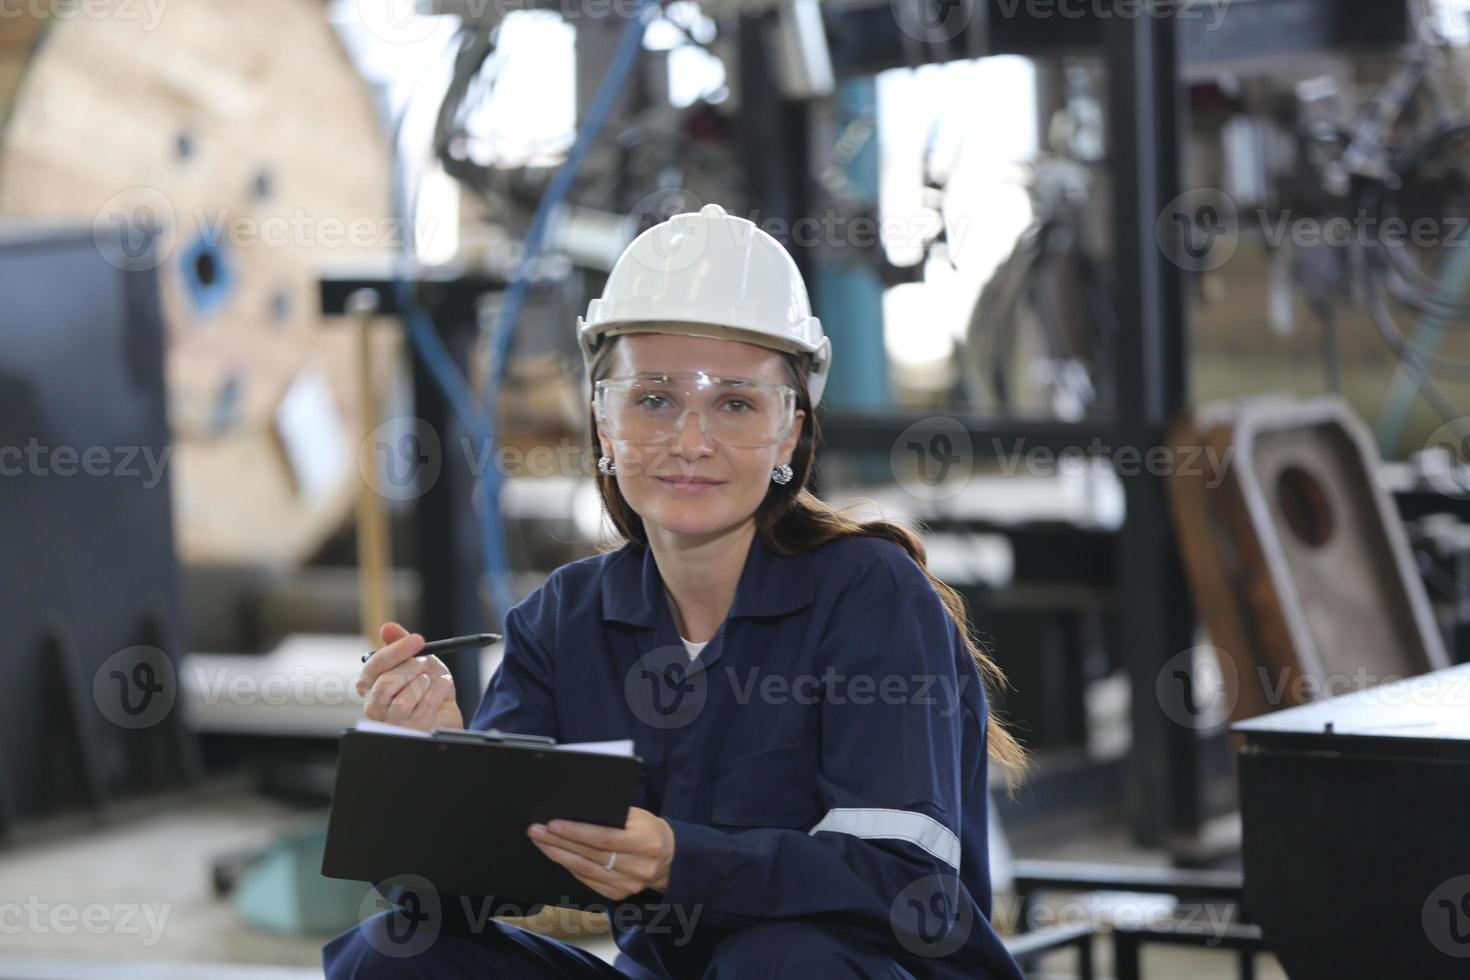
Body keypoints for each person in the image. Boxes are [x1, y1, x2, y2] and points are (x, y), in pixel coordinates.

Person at [324, 203, 1028, 979]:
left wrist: (677, 858)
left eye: (735, 402)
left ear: (789, 432)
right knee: (392, 954)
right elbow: (447, 902)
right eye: (654, 399)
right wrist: (426, 774)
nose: (690, 441)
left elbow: (904, 889)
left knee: (783, 960)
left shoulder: (868, 597)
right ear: (603, 419)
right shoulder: (565, 620)